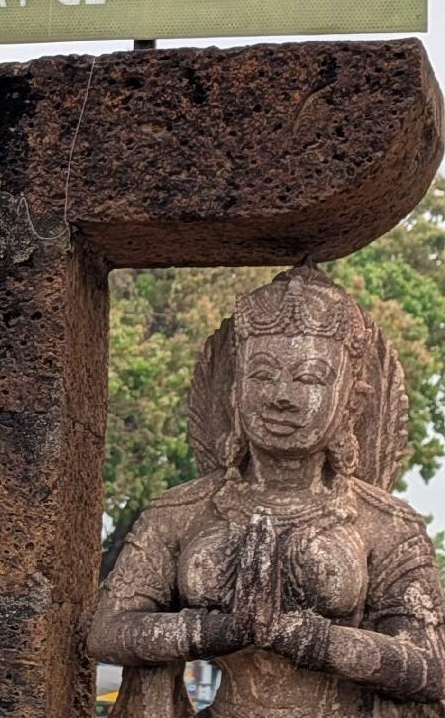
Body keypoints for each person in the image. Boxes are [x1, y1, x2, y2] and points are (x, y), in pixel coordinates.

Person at [87, 266, 445, 718]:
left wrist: (312, 641)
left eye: (309, 378)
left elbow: (431, 667)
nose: (282, 396)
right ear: (234, 391)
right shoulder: (180, 510)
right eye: (262, 374)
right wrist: (213, 632)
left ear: (351, 399)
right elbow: (107, 631)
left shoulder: (387, 523)